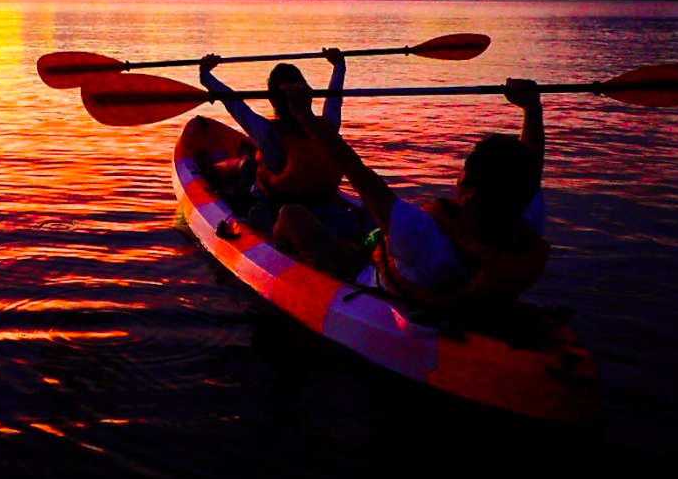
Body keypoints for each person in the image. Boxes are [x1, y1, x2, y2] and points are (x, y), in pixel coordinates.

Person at [276, 78, 549, 304]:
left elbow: (354, 170)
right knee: (370, 222)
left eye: (463, 172)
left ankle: (276, 261)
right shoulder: (524, 219)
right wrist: (531, 107)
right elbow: (530, 168)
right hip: (470, 291)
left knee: (291, 215)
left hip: (368, 279)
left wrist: (303, 115)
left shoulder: (426, 243)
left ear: (470, 192)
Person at [199, 49, 359, 242]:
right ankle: (237, 161)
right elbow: (334, 99)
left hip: (281, 218)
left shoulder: (268, 134)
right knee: (250, 162)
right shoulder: (328, 128)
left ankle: (212, 172)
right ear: (306, 94)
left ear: (272, 100)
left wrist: (206, 75)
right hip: (321, 201)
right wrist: (339, 65)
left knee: (249, 169)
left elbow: (233, 103)